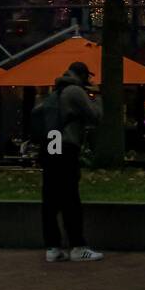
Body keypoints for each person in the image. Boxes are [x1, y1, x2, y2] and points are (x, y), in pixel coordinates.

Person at [41, 61, 105, 262]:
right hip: (66, 147)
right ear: (83, 75)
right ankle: (78, 247)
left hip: (50, 146)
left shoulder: (55, 93)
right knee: (71, 198)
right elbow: (95, 117)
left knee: (50, 199)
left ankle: (53, 247)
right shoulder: (75, 92)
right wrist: (97, 97)